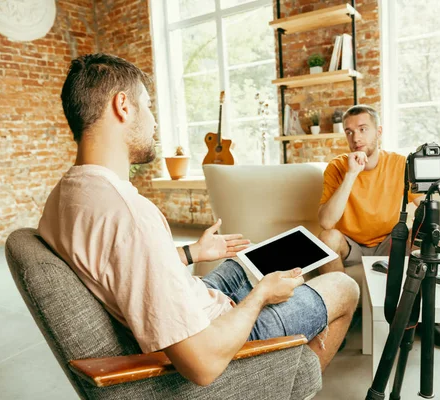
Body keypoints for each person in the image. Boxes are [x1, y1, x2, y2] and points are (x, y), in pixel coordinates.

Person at [38, 53, 360, 387]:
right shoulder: (130, 215)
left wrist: (192, 253)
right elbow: (202, 364)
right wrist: (261, 296)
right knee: (344, 287)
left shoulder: (66, 194)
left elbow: (116, 263)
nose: (154, 121)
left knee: (255, 257)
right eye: (147, 106)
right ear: (123, 106)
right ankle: (286, 385)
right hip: (212, 335)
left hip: (193, 298)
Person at [317, 105, 440, 348]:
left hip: (391, 243)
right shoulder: (337, 167)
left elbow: (426, 206)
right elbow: (327, 221)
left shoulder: (400, 164)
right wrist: (351, 175)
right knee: (326, 237)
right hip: (352, 247)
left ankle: (425, 319)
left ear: (378, 131)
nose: (356, 138)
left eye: (362, 129)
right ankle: (338, 320)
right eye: (349, 132)